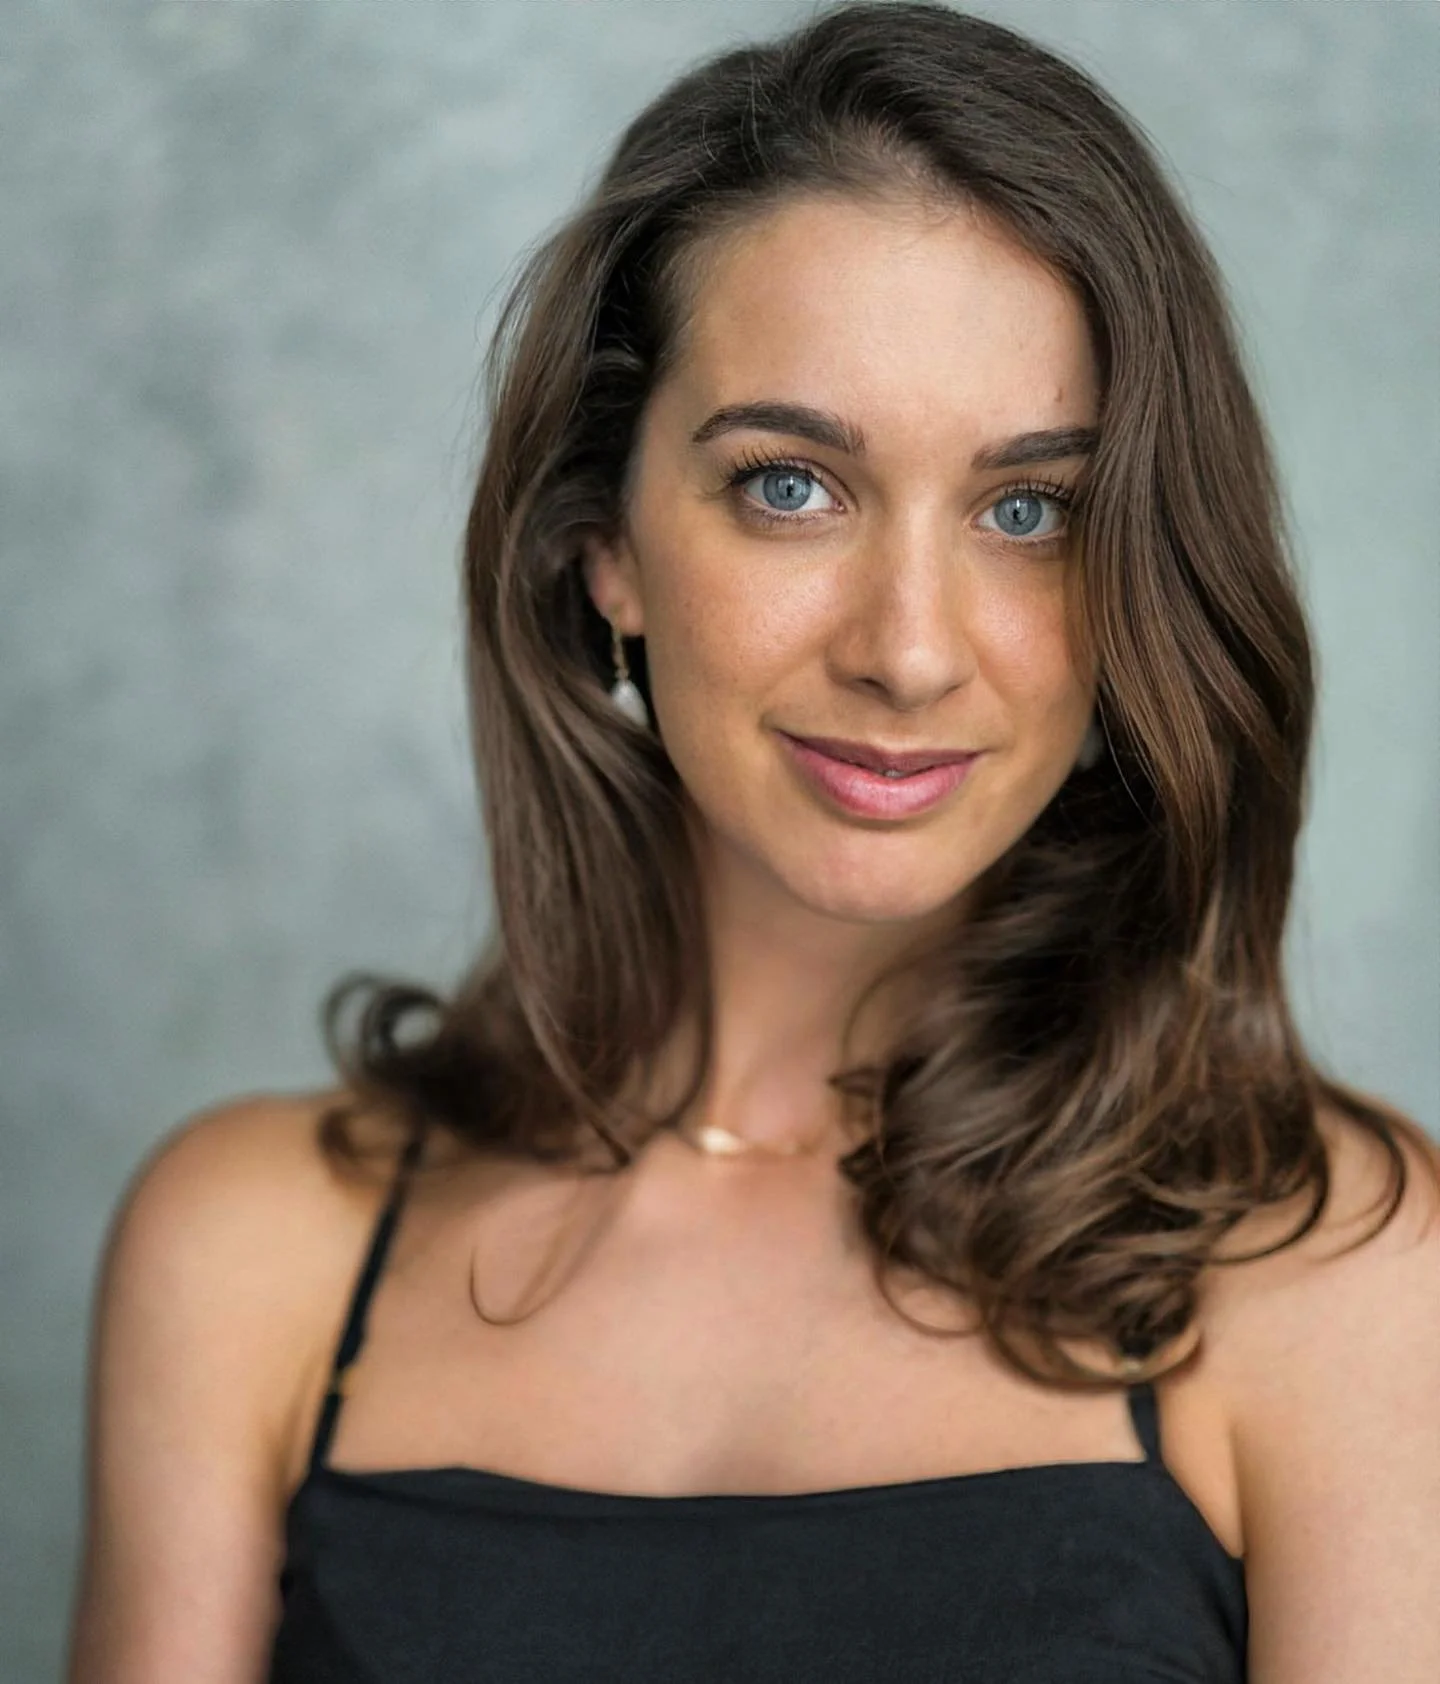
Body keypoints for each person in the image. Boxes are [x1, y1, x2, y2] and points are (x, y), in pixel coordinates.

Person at [68, 4, 1439, 1680]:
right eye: (792, 485)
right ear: (605, 546)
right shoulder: (253, 1249)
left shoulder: (1333, 1269)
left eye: (1031, 511)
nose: (911, 648)